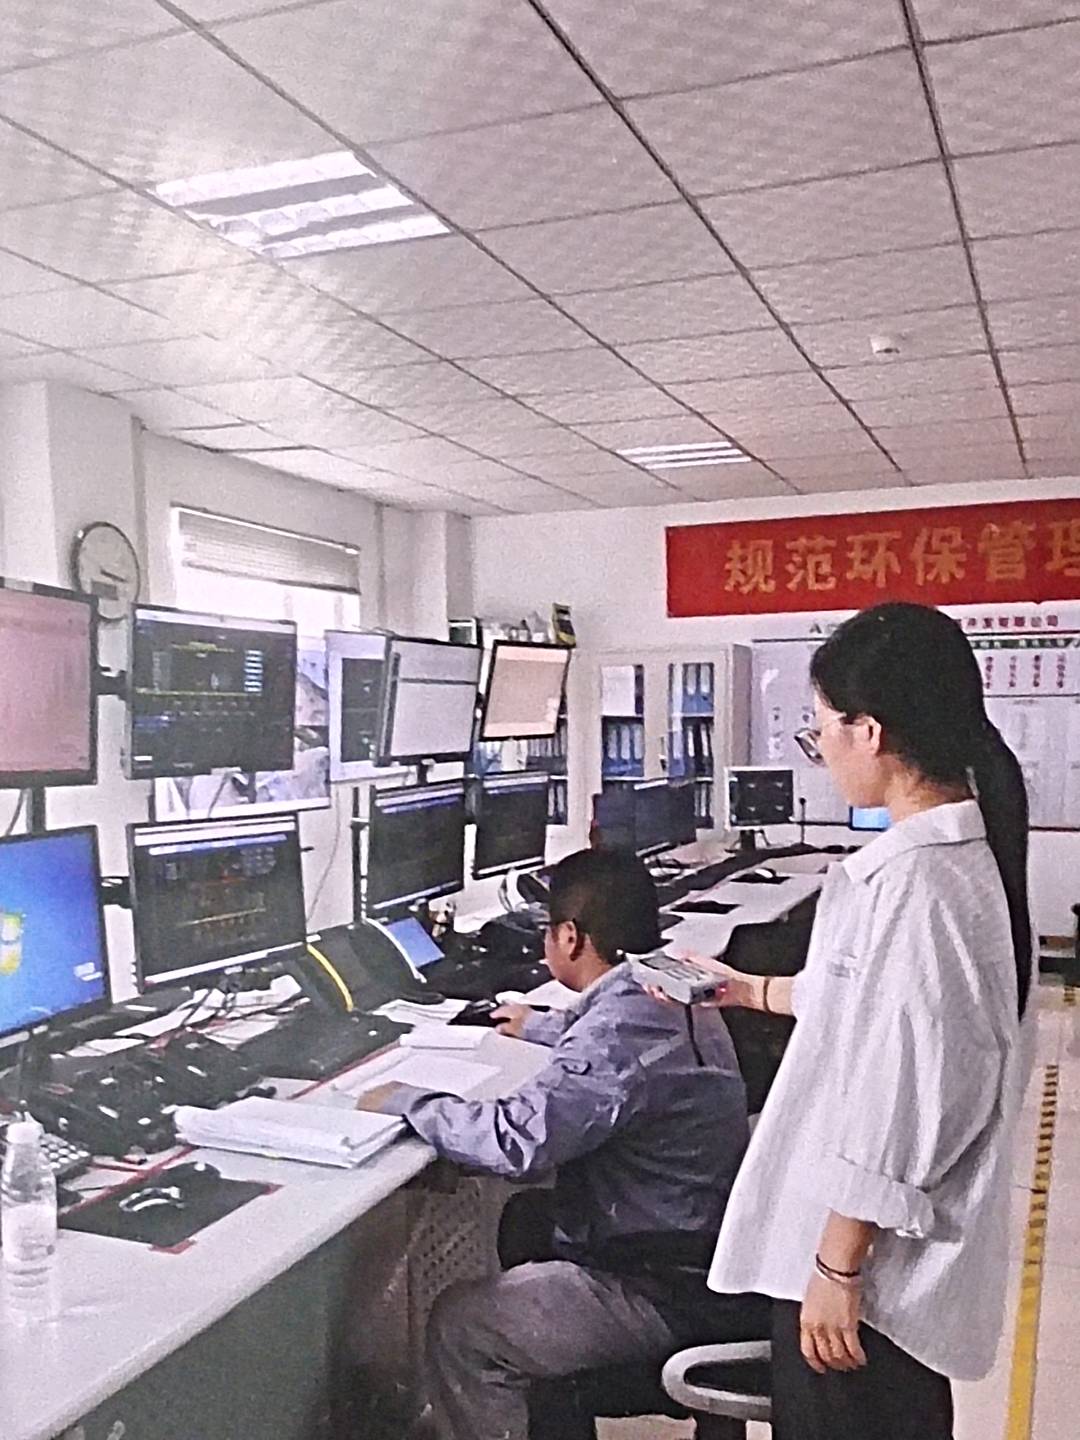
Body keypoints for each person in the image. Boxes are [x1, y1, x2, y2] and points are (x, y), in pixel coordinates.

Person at [676, 602, 1033, 1440]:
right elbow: (866, 1005)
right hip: (865, 1262)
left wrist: (838, 1265)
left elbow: (902, 1096)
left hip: (866, 1278)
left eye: (820, 730)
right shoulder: (935, 865)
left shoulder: (922, 887)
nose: (822, 750)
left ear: (867, 731)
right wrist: (751, 991)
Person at [358, 846, 760, 1440]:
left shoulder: (617, 1033)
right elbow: (614, 1053)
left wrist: (404, 1101)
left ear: (569, 937)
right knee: (524, 1221)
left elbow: (516, 1141)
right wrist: (542, 1026)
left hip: (665, 1285)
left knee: (463, 1325)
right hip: (708, 1248)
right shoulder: (670, 989)